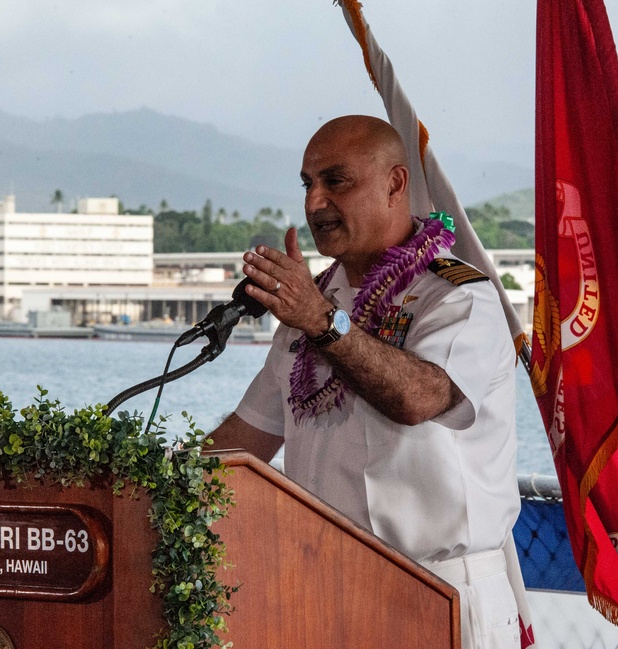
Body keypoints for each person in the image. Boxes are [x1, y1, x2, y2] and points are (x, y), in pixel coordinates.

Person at [207, 115, 522, 649]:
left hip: (439, 591)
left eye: (336, 181)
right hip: (327, 588)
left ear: (395, 184)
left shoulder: (459, 296)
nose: (314, 204)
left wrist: (323, 323)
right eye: (308, 184)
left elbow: (419, 396)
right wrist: (140, 483)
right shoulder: (313, 299)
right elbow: (246, 439)